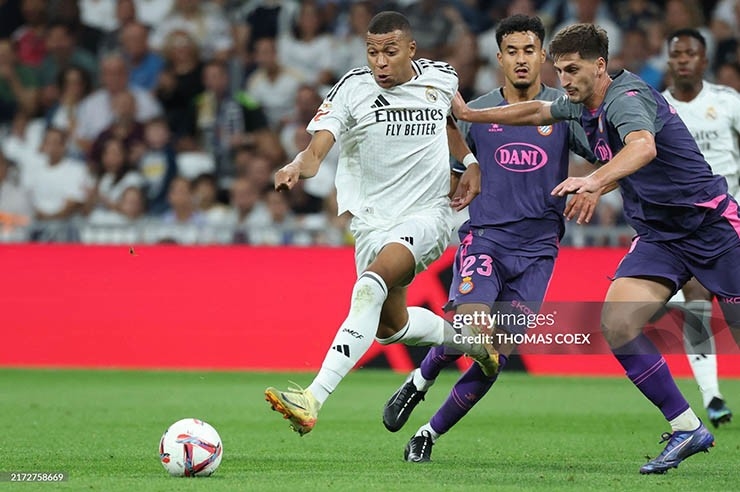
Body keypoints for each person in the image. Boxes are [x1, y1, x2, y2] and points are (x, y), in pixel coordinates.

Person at [451, 23, 740, 475]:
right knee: (619, 323)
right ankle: (687, 427)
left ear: (600, 66)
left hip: (712, 230)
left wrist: (595, 179)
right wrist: (471, 117)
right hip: (661, 238)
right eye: (559, 70)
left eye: (572, 69)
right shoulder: (580, 103)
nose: (563, 79)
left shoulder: (627, 99)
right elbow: (536, 112)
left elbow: (642, 147)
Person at [264, 11, 498, 437]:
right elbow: (316, 152)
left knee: (369, 286)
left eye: (390, 52)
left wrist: (470, 162)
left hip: (428, 215)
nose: (380, 62)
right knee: (392, 329)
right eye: (372, 52)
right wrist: (297, 164)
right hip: (372, 223)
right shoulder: (352, 89)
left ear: (411, 49)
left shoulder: (441, 77)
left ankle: (313, 397)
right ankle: (473, 344)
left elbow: (445, 120)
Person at [382, 14, 601, 463]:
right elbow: (442, 145)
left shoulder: (565, 110)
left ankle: (427, 434)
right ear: (499, 57)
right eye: (512, 51)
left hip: (539, 250)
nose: (521, 60)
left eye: (529, 51)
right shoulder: (477, 113)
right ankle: (419, 382)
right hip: (485, 240)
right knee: (471, 328)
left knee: (495, 356)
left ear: (543, 56)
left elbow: (603, 151)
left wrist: (598, 182)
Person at [661, 28, 738, 429]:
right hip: (683, 228)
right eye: (677, 54)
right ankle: (713, 396)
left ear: (704, 61)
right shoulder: (657, 109)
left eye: (691, 53)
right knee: (695, 303)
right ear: (669, 62)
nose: (684, 60)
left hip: (730, 223)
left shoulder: (727, 103)